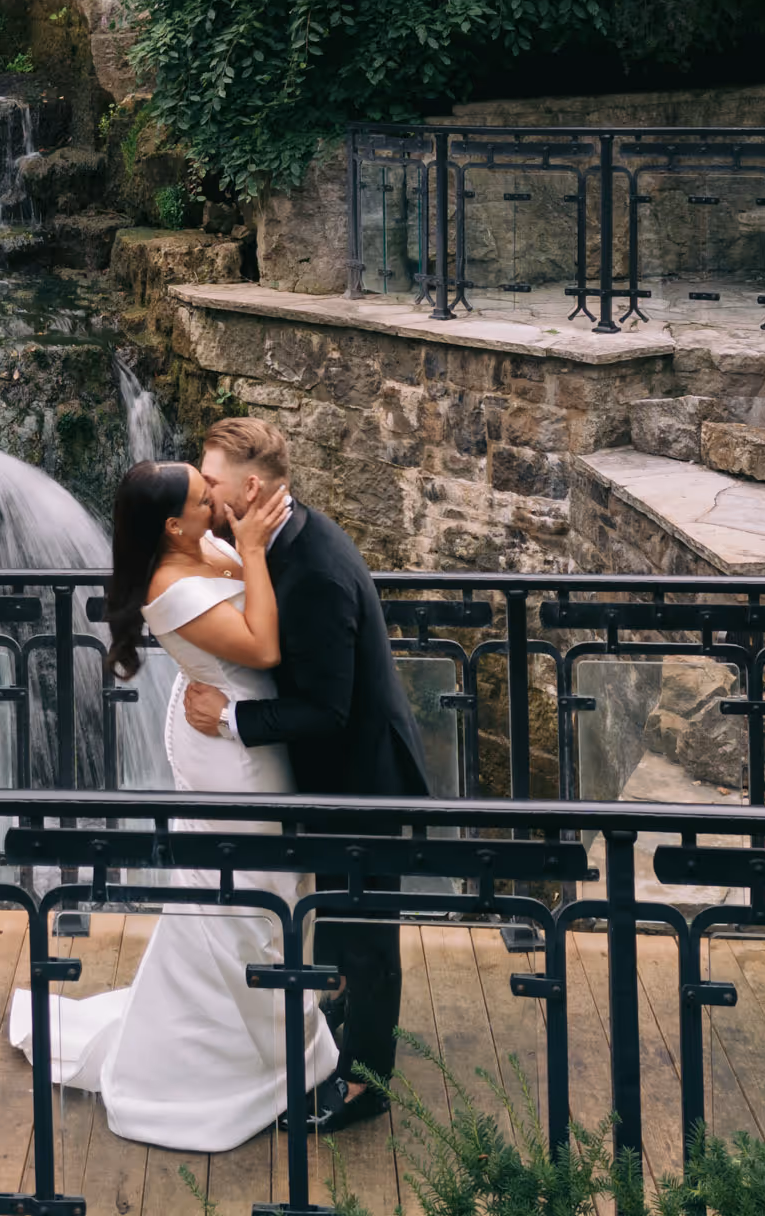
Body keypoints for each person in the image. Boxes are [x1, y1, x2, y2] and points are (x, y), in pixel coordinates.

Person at [7, 457, 339, 1150]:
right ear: (172, 524)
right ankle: (242, 1064)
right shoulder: (171, 583)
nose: (212, 499)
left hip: (235, 731)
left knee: (254, 892)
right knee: (243, 899)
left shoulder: (200, 547)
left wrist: (245, 543)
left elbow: (254, 583)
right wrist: (249, 550)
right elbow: (264, 644)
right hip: (232, 759)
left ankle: (266, 1036)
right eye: (200, 496)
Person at [186, 416, 431, 1135]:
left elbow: (326, 709)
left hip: (363, 779)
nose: (205, 492)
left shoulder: (317, 569)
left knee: (366, 935)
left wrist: (231, 721)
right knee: (340, 923)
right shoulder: (275, 538)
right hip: (333, 778)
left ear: (251, 487)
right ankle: (336, 1035)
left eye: (211, 481)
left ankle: (367, 1084)